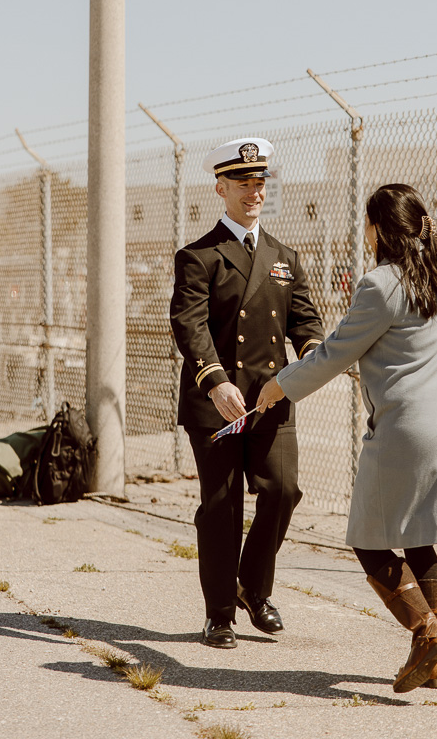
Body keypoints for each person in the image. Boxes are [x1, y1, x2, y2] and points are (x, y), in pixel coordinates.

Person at [257, 183, 437, 693]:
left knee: (368, 539)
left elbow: (335, 352)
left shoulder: (379, 285)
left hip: (408, 433)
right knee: (417, 533)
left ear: (380, 228)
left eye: (367, 222)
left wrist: (280, 386)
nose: (364, 232)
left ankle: (427, 633)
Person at [170, 137, 324, 649]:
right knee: (221, 506)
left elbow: (306, 322)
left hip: (271, 399)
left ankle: (251, 587)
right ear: (221, 188)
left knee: (283, 490)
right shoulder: (198, 256)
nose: (254, 192)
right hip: (215, 403)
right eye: (243, 184)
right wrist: (215, 381)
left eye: (260, 184)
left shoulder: (285, 256)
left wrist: (322, 355)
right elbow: (189, 325)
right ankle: (219, 614)